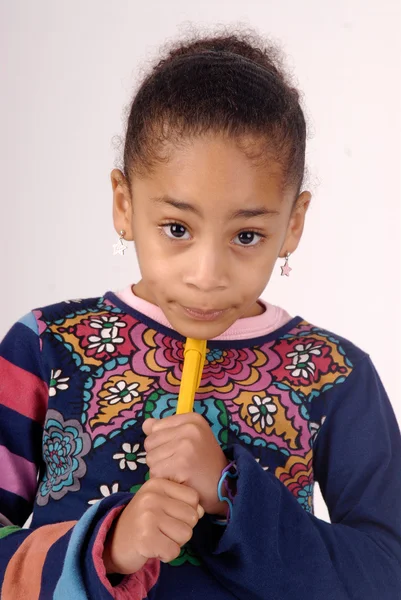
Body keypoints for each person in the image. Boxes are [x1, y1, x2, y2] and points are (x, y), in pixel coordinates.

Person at [0, 28, 400, 600]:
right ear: (124, 203)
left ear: (292, 224)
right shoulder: (44, 346)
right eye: (177, 229)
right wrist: (108, 547)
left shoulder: (337, 375)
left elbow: (388, 573)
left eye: (246, 234)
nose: (207, 274)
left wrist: (230, 492)